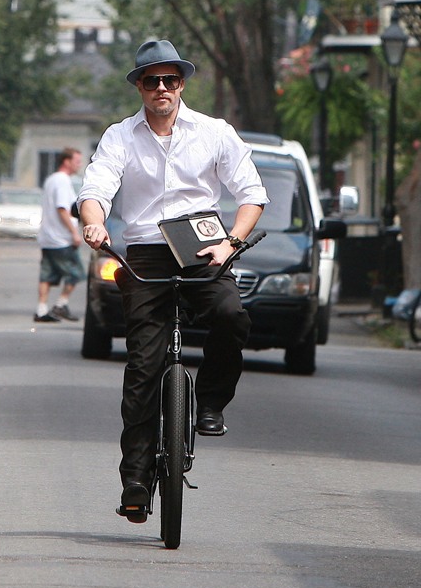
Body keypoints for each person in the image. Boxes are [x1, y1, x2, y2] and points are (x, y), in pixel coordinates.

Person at [77, 40, 269, 520]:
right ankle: (136, 481)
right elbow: (96, 188)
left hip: (202, 246)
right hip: (145, 250)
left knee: (232, 315)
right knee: (143, 367)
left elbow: (251, 194)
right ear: (139, 86)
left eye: (171, 79)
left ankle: (210, 403)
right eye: (152, 80)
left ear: (182, 83)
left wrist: (230, 243)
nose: (161, 88)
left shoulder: (214, 132)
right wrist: (95, 223)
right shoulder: (120, 136)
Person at [34, 147, 86, 322]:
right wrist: (74, 233)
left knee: (47, 275)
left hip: (48, 237)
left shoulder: (51, 180)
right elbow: (63, 209)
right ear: (66, 161)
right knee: (76, 273)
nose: (79, 165)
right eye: (77, 161)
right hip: (61, 238)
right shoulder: (63, 181)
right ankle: (61, 304)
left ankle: (41, 310)